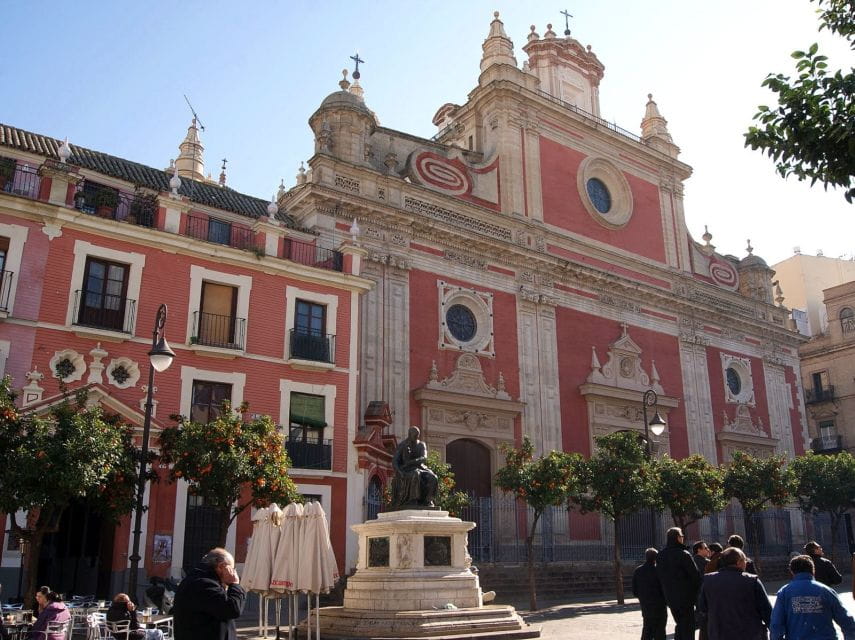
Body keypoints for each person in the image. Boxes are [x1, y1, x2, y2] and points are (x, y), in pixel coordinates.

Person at [770, 554, 855, 640]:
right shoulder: (826, 591)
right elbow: (846, 621)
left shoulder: (784, 592)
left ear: (792, 572)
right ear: (813, 570)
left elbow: (776, 624)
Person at [697, 547, 772, 640]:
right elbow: (766, 611)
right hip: (749, 634)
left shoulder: (709, 580)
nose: (746, 563)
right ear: (739, 562)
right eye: (745, 560)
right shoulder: (752, 581)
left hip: (719, 634)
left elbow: (703, 608)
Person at [172, 547, 245, 640]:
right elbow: (232, 609)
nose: (234, 573)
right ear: (221, 566)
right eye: (232, 568)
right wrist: (234, 585)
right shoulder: (205, 584)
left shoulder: (197, 579)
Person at [656, 527, 701, 640]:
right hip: (686, 598)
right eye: (681, 536)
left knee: (680, 625)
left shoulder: (661, 555)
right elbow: (695, 576)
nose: (683, 538)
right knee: (688, 628)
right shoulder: (684, 554)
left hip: (670, 598)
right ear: (677, 538)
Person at [388, 426, 438, 510]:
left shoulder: (421, 444)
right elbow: (395, 461)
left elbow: (424, 457)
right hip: (407, 469)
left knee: (433, 477)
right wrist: (399, 471)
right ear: (409, 434)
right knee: (415, 474)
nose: (416, 437)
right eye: (414, 435)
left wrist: (412, 461)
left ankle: (428, 500)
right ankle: (413, 500)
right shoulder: (403, 445)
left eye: (417, 435)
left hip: (421, 468)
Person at [632, 548, 667, 640]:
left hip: (645, 605)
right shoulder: (659, 570)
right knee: (660, 631)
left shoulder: (638, 571)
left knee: (647, 629)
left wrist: (642, 598)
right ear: (656, 558)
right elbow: (664, 587)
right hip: (660, 606)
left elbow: (634, 590)